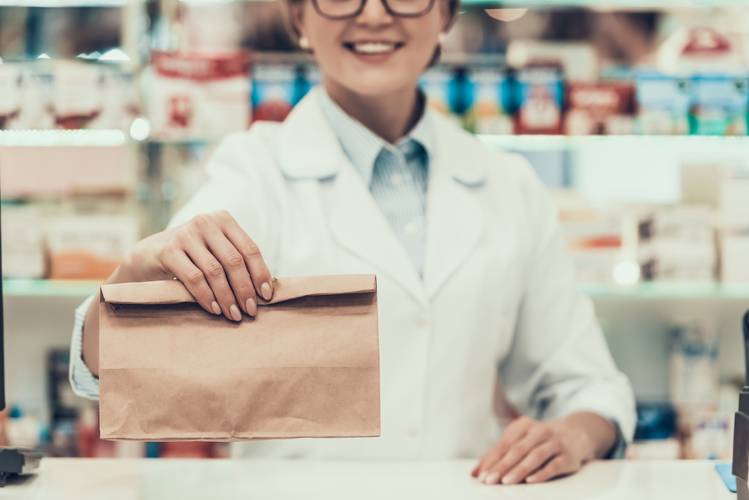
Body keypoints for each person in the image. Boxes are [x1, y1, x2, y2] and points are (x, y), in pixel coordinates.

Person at [69, 0, 635, 486]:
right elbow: (111, 364)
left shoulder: (509, 185)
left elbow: (588, 386)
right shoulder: (255, 171)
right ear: (298, 16)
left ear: (444, 12)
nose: (372, 13)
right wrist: (138, 270)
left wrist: (573, 435)